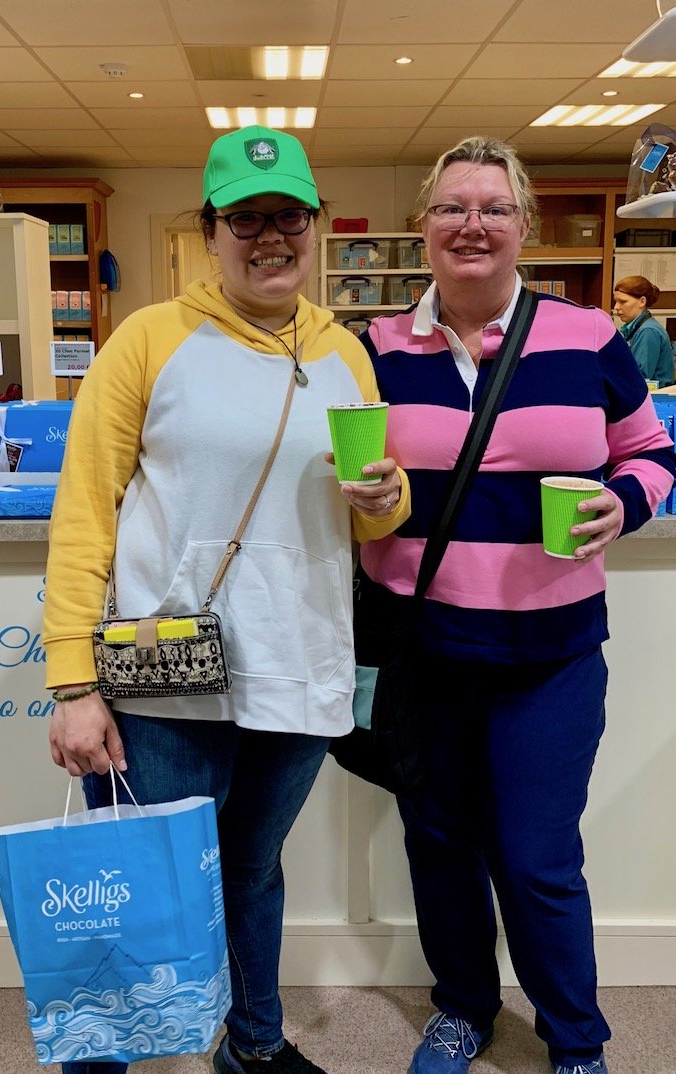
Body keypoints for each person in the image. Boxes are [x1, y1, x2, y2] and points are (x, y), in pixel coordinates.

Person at [42, 124, 410, 1074]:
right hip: (166, 672)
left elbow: (370, 516)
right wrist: (73, 683)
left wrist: (388, 496)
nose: (269, 235)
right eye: (245, 219)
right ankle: (108, 1053)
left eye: (288, 214)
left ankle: (252, 1043)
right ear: (211, 231)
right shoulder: (148, 340)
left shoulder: (346, 353)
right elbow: (85, 513)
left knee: (250, 870)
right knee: (151, 879)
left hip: (299, 659)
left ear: (316, 224)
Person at [359, 137, 676, 1074]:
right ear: (423, 230)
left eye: (494, 208)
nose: (473, 225)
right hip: (422, 648)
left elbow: (651, 451)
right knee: (439, 841)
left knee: (538, 860)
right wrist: (356, 501)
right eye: (452, 207)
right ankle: (463, 1008)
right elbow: (335, 473)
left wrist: (625, 502)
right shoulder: (374, 348)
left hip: (553, 652)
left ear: (524, 229)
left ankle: (574, 1034)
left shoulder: (587, 338)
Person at [613, 274, 676, 388]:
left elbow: (638, 376)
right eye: (616, 301)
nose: (616, 307)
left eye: (623, 301)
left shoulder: (648, 331)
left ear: (642, 302)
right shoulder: (637, 329)